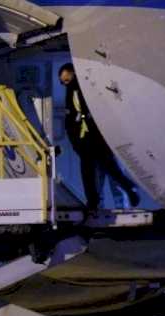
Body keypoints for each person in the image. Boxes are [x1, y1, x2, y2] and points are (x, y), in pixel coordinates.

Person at [59, 63, 141, 212]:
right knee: (102, 170)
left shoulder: (78, 88)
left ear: (73, 74)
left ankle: (100, 200)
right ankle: (123, 191)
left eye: (66, 79)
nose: (65, 84)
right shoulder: (77, 89)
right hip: (89, 139)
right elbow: (72, 119)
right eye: (62, 81)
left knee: (100, 170)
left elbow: (76, 116)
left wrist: (79, 132)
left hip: (93, 138)